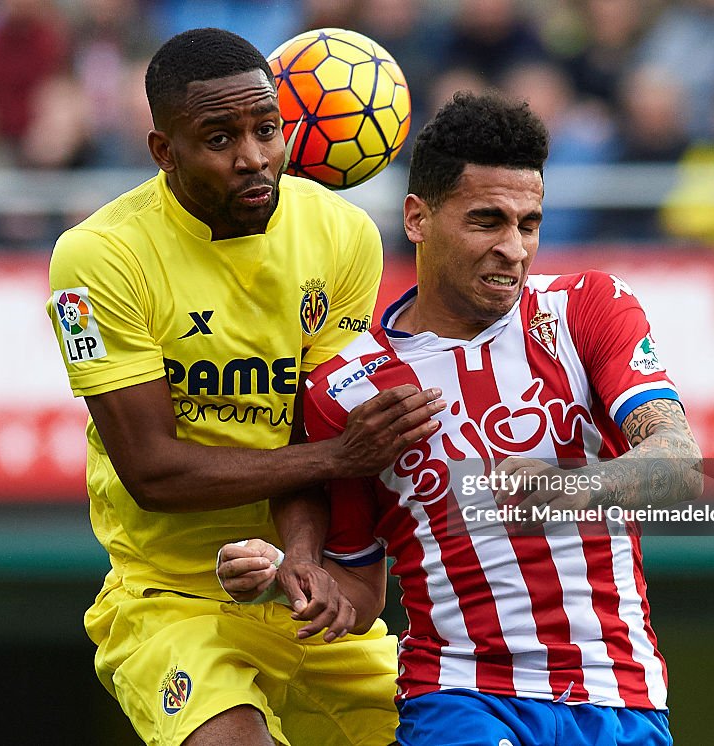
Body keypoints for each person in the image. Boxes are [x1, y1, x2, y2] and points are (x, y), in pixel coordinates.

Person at [218, 92, 704, 746]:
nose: (513, 248)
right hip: (458, 696)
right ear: (417, 218)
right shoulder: (342, 386)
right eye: (487, 221)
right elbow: (359, 594)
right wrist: (292, 581)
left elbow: (679, 462)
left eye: (528, 224)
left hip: (619, 693)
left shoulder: (588, 309)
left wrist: (568, 488)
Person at [45, 28, 443, 746]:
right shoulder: (98, 258)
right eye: (220, 138)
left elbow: (308, 424)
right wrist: (338, 458)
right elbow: (153, 473)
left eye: (267, 129)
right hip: (170, 600)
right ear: (164, 151)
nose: (254, 157)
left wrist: (301, 554)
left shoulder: (343, 234)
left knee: (457, 729)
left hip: (296, 589)